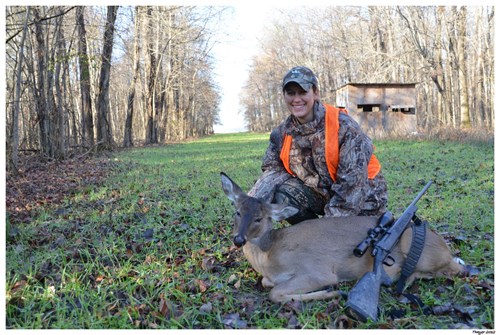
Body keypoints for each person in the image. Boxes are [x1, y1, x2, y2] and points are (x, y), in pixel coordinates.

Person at [249, 66, 388, 224]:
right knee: (282, 195)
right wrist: (249, 207)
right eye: (291, 93)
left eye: (302, 92)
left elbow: (351, 188)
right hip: (325, 195)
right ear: (284, 96)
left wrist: (324, 231)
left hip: (364, 198)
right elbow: (273, 172)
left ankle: (319, 234)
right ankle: (310, 234)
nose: (296, 99)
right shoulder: (281, 134)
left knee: (345, 245)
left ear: (315, 93)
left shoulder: (344, 127)